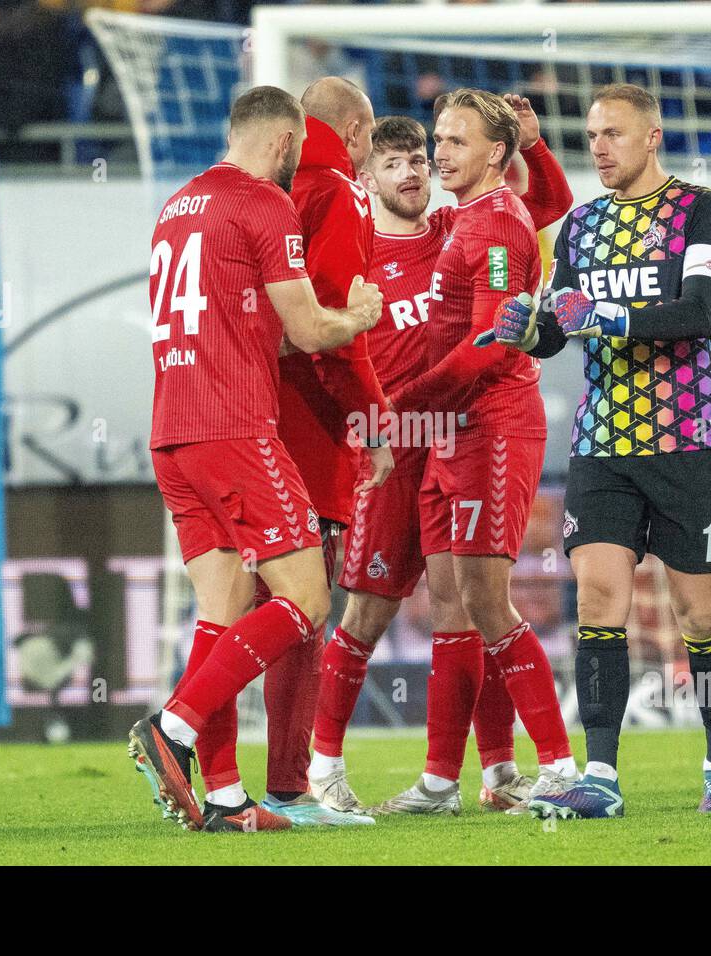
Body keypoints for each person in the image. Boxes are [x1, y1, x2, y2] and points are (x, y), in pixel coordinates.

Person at [485, 83, 711, 818]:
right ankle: (600, 775)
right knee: (599, 601)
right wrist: (524, 328)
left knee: (698, 616)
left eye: (614, 134)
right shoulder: (580, 226)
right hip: (603, 442)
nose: (598, 147)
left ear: (653, 136)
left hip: (687, 440)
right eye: (592, 135)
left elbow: (697, 313)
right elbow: (558, 330)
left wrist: (601, 311)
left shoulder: (701, 210)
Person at [308, 102, 576, 815]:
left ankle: (485, 773)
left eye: (428, 154)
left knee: (467, 605)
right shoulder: (353, 247)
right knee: (366, 608)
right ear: (364, 177)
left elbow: (545, 205)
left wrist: (536, 142)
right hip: (394, 447)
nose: (417, 168)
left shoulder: (462, 226)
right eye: (393, 161)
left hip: (460, 429)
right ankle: (324, 768)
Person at [127, 85, 382, 833]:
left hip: (171, 430)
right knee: (304, 599)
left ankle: (228, 798)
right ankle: (174, 725)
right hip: (234, 429)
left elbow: (244, 321)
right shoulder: (265, 203)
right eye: (298, 148)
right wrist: (358, 317)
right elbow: (308, 331)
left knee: (221, 610)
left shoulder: (176, 208)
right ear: (282, 141)